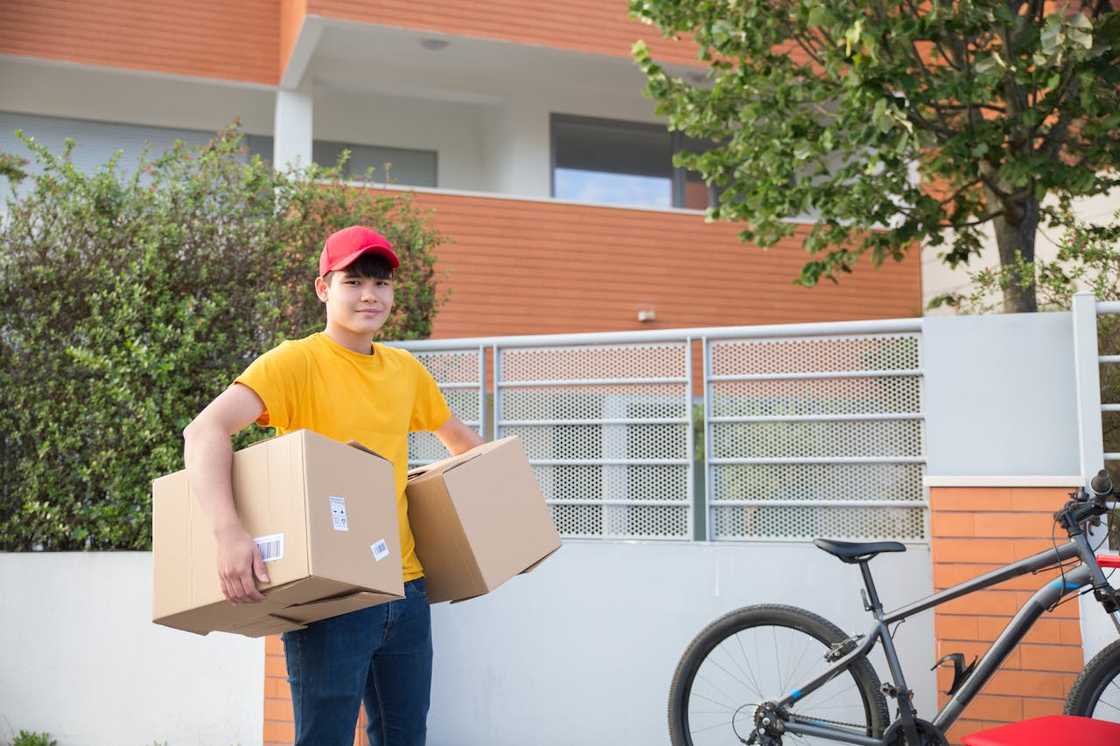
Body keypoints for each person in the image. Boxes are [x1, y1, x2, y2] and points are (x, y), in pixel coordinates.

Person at [182, 225, 483, 746]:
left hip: (406, 589)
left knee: (406, 738)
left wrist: (499, 511)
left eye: (381, 283)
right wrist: (228, 533)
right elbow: (204, 431)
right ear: (324, 288)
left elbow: (464, 446)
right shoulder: (295, 362)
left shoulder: (405, 370)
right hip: (331, 591)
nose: (370, 295)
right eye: (354, 281)